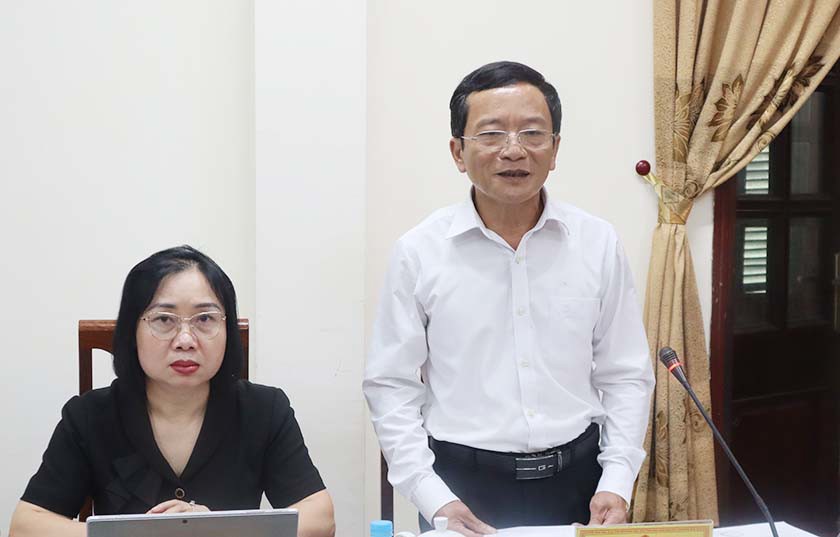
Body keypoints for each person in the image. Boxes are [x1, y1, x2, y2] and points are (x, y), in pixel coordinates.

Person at [363, 61, 655, 536]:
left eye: (533, 133)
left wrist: (617, 481)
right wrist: (433, 497)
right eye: (492, 134)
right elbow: (390, 386)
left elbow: (625, 374)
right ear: (458, 152)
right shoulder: (419, 252)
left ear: (555, 149)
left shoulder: (597, 243)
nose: (514, 150)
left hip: (580, 483)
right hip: (461, 487)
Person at [9, 245, 335, 537]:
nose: (185, 340)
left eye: (205, 319)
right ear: (131, 331)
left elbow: (320, 518)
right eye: (164, 320)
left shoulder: (265, 409)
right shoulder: (89, 416)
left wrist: (217, 528)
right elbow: (26, 526)